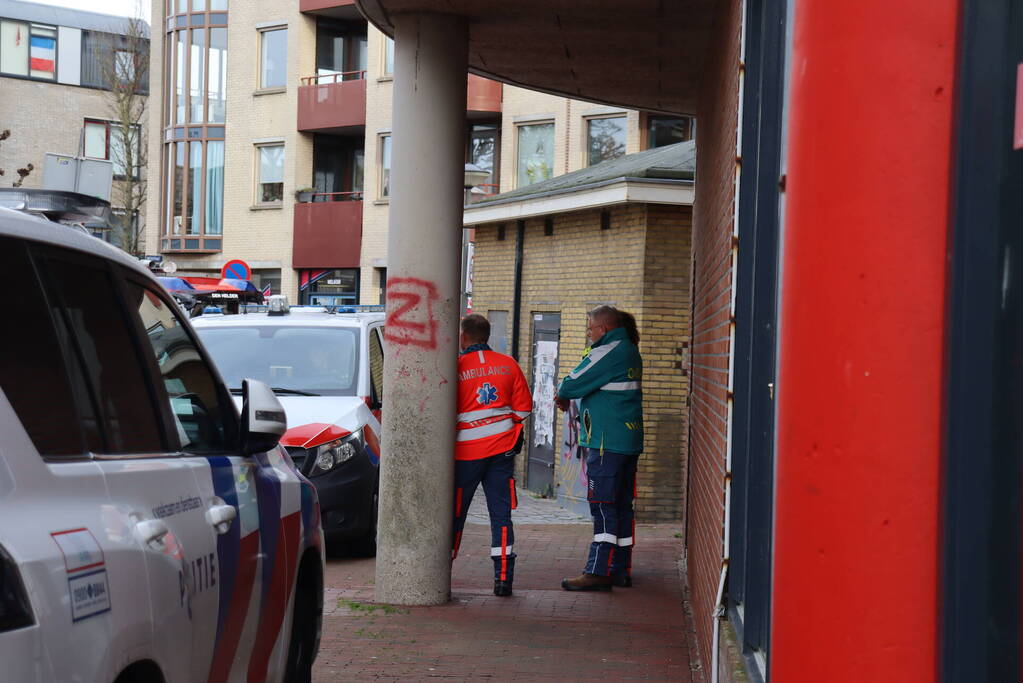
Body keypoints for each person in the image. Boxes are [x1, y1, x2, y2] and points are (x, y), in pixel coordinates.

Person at [556, 305, 643, 591]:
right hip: (626, 441)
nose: (588, 333)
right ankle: (620, 568)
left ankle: (597, 571)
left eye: (590, 328)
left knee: (603, 506)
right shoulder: (629, 349)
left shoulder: (608, 351)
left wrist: (563, 392)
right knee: (621, 506)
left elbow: (571, 384)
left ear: (602, 329)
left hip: (606, 442)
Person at [453, 314, 533, 596]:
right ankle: (503, 579)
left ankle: (441, 572)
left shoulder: (456, 367)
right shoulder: (508, 364)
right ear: (486, 335)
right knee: (500, 515)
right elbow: (523, 411)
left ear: (463, 337)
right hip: (501, 452)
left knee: (455, 515)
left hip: (466, 454)